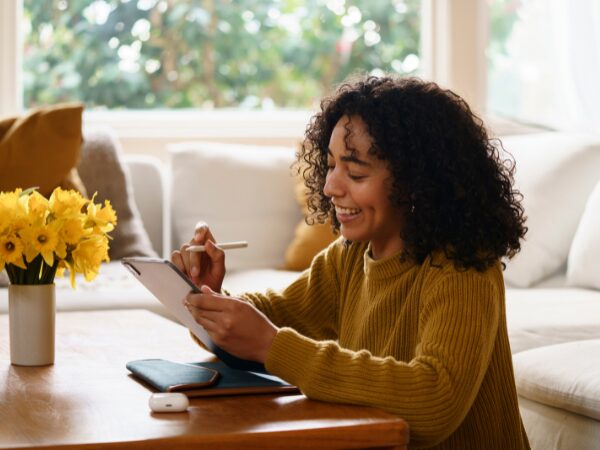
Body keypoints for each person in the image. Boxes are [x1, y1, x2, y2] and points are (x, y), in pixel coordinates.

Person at [171, 75, 530, 449]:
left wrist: (271, 345)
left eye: (355, 172)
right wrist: (209, 294)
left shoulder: (462, 265)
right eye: (330, 166)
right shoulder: (350, 256)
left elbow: (434, 401)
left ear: (416, 182)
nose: (330, 188)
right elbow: (273, 319)